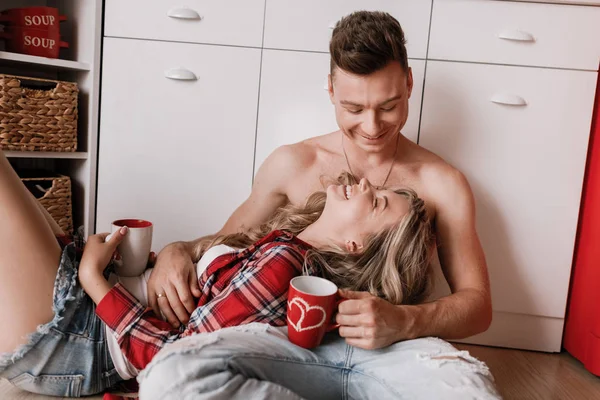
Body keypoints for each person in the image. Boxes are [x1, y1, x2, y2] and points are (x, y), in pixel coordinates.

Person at [142, 10, 498, 399]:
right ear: (330, 89)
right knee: (169, 377)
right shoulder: (294, 164)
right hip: (283, 343)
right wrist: (178, 251)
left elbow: (477, 306)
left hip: (394, 348)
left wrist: (404, 320)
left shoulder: (442, 184)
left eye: (389, 106)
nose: (372, 126)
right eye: (354, 109)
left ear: (409, 84)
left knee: (471, 390)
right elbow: (230, 243)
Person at [0, 147, 433, 397]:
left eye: (374, 202)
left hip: (81, 332)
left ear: (357, 246)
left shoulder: (286, 267)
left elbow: (175, 358)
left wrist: (93, 281)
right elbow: (204, 302)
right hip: (86, 315)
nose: (363, 184)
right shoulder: (286, 245)